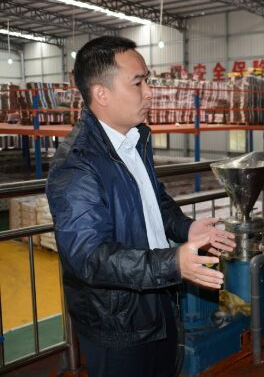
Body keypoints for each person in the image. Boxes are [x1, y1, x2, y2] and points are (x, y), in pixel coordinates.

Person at [46, 36, 236, 377]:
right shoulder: (77, 165)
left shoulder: (135, 140)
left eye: (147, 81)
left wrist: (186, 228)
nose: (149, 92)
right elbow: (89, 256)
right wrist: (171, 262)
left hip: (157, 297)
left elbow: (155, 199)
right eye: (138, 83)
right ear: (102, 94)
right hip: (118, 322)